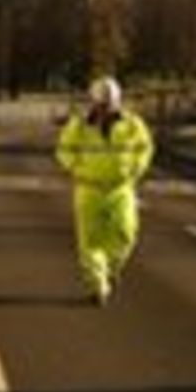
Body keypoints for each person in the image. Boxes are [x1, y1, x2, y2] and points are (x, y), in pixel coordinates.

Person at [55, 75, 154, 304]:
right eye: (101, 104)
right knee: (90, 241)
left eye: (109, 104)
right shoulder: (79, 125)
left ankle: (111, 267)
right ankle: (99, 285)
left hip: (120, 189)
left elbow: (145, 147)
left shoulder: (132, 124)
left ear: (117, 102)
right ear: (93, 102)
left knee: (126, 233)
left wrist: (136, 169)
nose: (105, 109)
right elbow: (63, 150)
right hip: (88, 189)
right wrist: (75, 168)